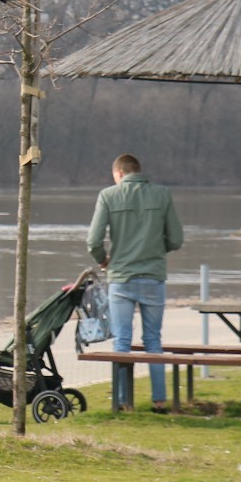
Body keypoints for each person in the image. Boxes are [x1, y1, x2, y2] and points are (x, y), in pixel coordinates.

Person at [87, 153, 184, 412]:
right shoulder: (162, 194)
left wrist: (103, 260)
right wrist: (155, 251)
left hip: (121, 278)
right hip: (153, 277)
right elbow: (176, 239)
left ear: (119, 174)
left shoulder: (108, 196)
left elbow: (93, 241)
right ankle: (159, 401)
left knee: (122, 341)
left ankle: (123, 403)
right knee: (153, 340)